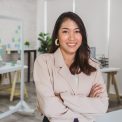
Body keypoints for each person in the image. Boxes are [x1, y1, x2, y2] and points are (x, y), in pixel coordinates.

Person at [33, 11, 108, 122]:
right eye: (65, 31)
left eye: (77, 31)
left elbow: (102, 106)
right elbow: (48, 108)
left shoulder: (93, 66)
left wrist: (63, 98)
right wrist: (88, 103)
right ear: (57, 35)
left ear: (82, 35)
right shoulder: (44, 62)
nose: (72, 37)